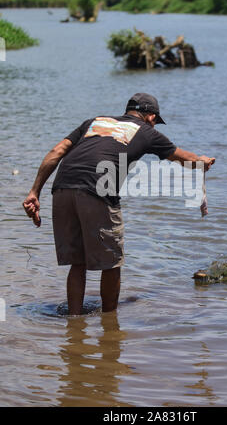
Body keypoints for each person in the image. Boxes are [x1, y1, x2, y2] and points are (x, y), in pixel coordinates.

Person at [23, 93, 215, 315]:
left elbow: (56, 151)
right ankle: (110, 323)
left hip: (62, 187)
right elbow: (186, 159)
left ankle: (74, 319)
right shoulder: (147, 132)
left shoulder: (94, 122)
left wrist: (34, 191)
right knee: (112, 263)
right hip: (97, 191)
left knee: (78, 262)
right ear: (151, 116)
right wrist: (203, 161)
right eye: (155, 120)